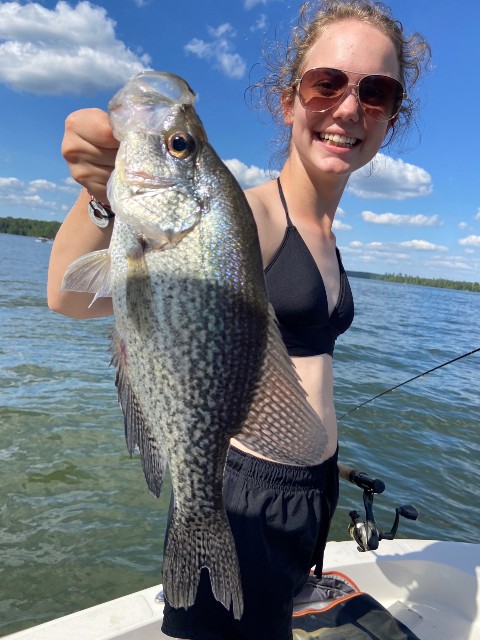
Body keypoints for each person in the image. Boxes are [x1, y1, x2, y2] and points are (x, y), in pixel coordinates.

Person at [47, 1, 430, 638]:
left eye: (377, 91)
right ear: (289, 101)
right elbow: (69, 296)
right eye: (326, 83)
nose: (347, 108)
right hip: (242, 496)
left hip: (310, 493)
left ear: (391, 116)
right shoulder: (237, 217)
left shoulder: (329, 233)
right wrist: (100, 196)